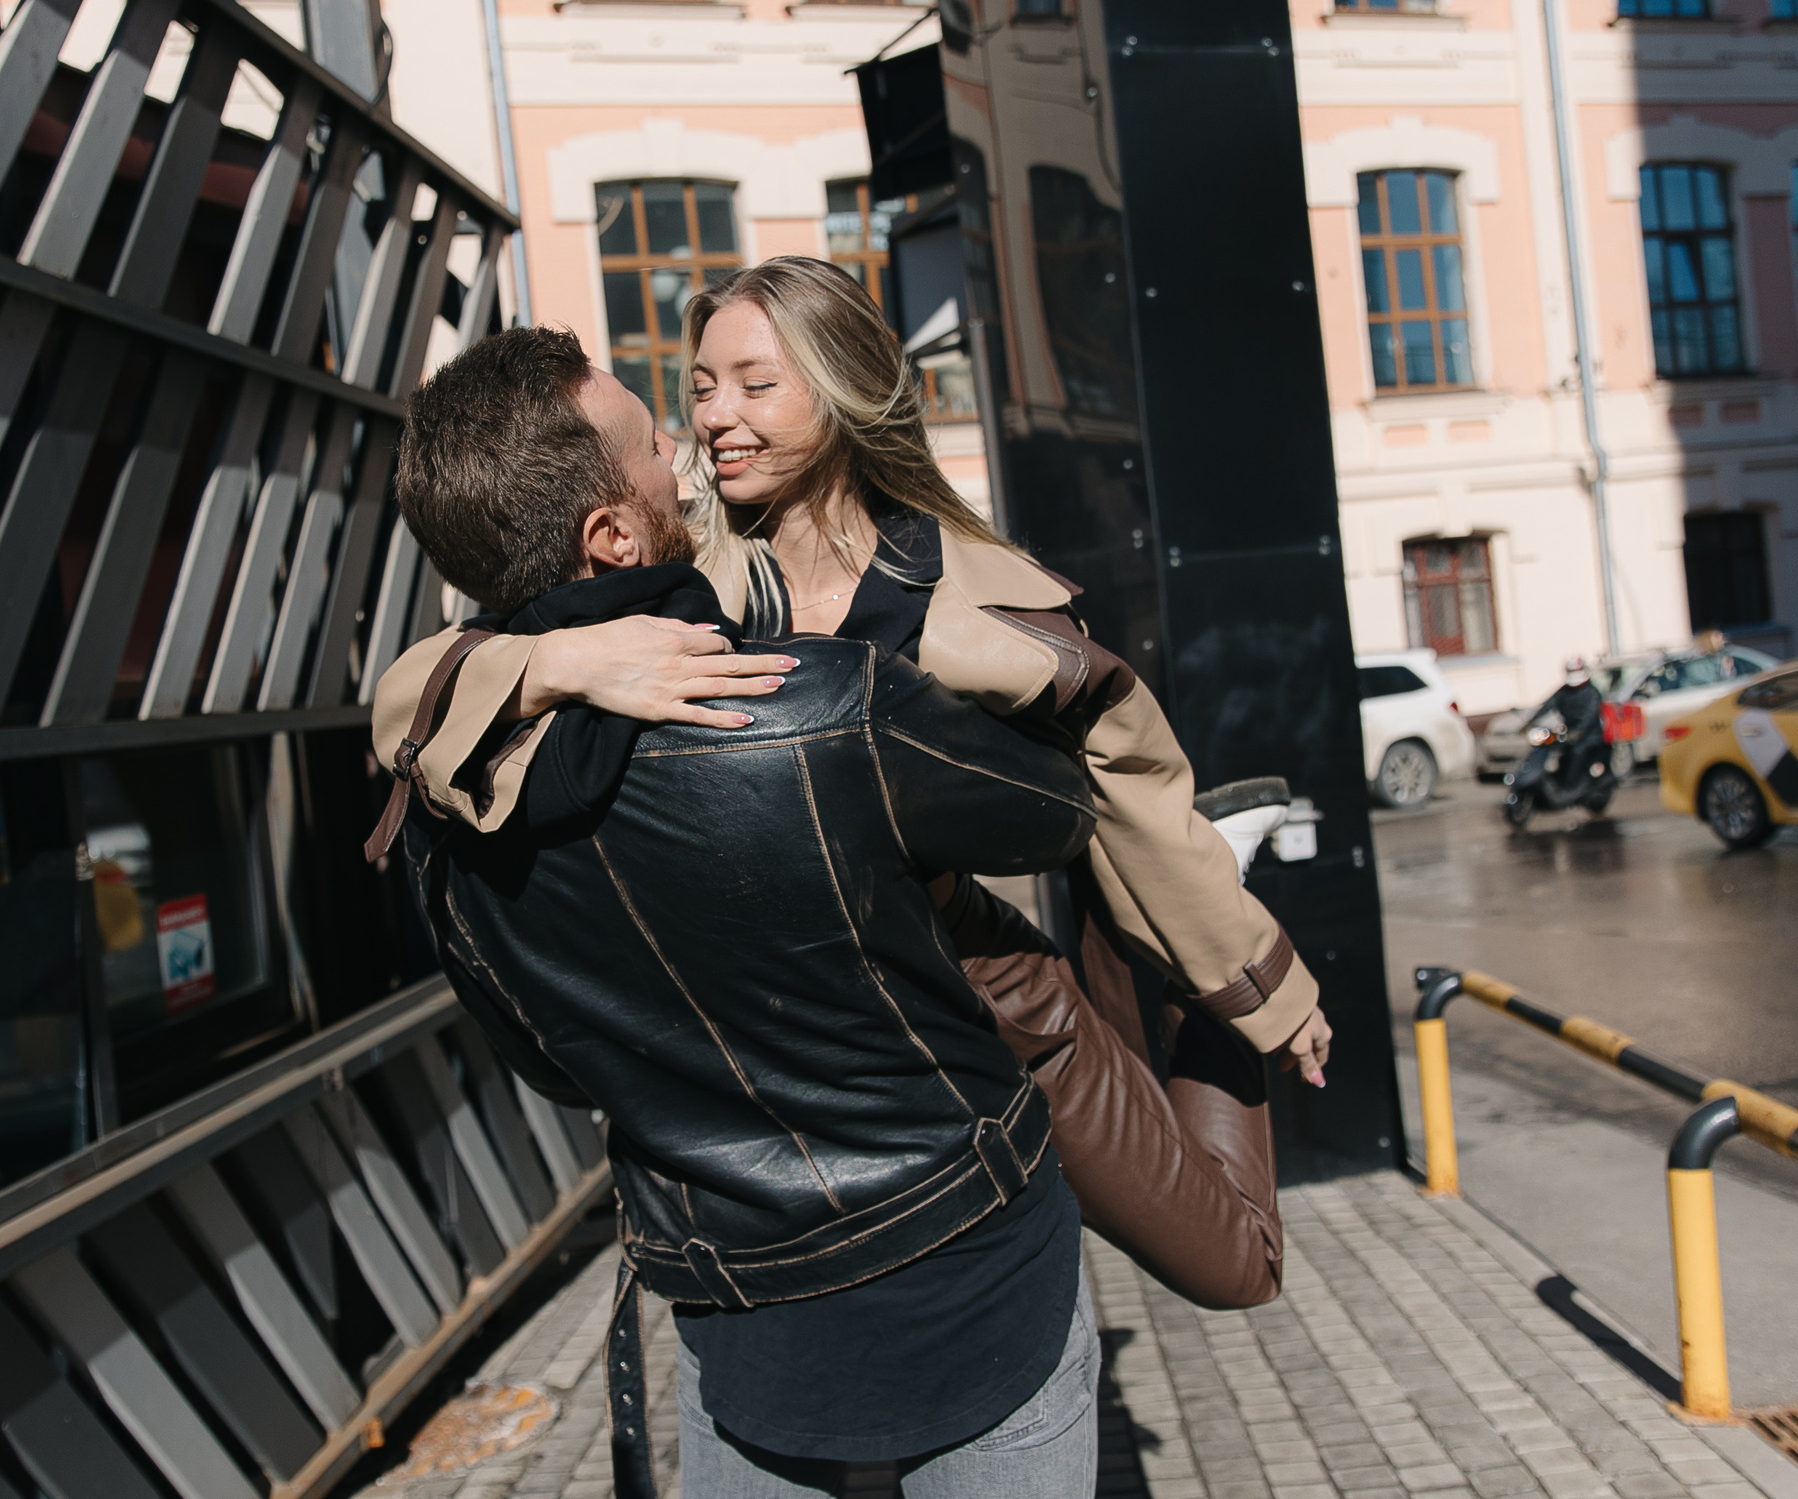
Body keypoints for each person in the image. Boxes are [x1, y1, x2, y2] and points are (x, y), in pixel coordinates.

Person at [383, 259, 1332, 1309]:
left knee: (1232, 1267)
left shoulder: (986, 604)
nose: (715, 417)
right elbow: (417, 694)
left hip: (976, 983)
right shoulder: (668, 571)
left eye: (755, 383)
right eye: (701, 388)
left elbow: (1125, 791)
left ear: (841, 390)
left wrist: (1253, 986)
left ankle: (1213, 992)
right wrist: (567, 660)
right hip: (802, 1038)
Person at [372, 328, 1105, 1496]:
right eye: (650, 445)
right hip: (968, 1259)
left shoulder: (437, 813)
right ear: (610, 539)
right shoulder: (822, 704)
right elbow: (1056, 816)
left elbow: (550, 1064)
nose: (683, 453)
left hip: (735, 1297)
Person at [1543, 655, 1608, 796]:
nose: (1574, 675)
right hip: (1568, 735)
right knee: (1552, 751)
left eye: (1576, 671)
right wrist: (1528, 722)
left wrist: (1579, 731)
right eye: (1572, 671)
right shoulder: (1563, 692)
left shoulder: (1591, 692)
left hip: (1590, 737)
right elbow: (1547, 706)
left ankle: (1571, 787)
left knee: (1576, 752)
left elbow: (1590, 716)